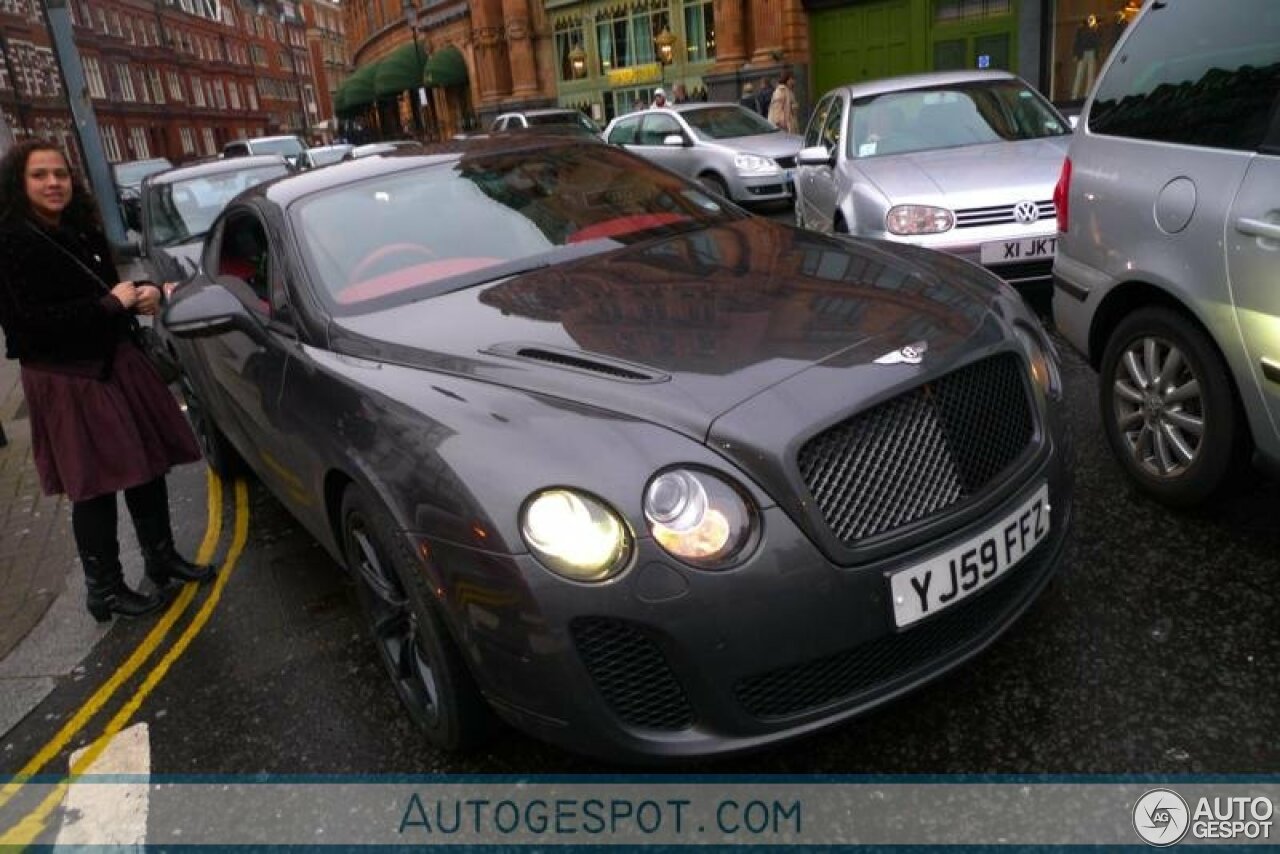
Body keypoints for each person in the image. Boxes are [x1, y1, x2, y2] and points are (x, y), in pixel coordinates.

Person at [0, 140, 215, 622]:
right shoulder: (10, 241)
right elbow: (26, 328)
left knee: (149, 467)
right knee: (94, 488)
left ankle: (161, 559)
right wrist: (109, 306)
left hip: (117, 362)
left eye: (60, 173)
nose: (54, 183)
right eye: (39, 175)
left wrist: (143, 296)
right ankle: (106, 588)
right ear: (19, 183)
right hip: (68, 378)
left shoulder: (80, 229)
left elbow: (108, 295)